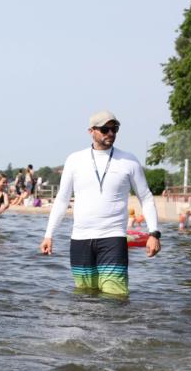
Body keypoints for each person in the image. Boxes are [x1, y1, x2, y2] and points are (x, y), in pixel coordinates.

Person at [39, 111, 161, 295]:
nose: (110, 133)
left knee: (115, 297)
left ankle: (115, 325)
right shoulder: (75, 160)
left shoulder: (129, 161)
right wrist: (49, 234)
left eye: (114, 129)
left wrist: (154, 234)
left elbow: (146, 197)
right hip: (80, 239)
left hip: (113, 237)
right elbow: (62, 200)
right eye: (105, 129)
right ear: (91, 131)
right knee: (84, 297)